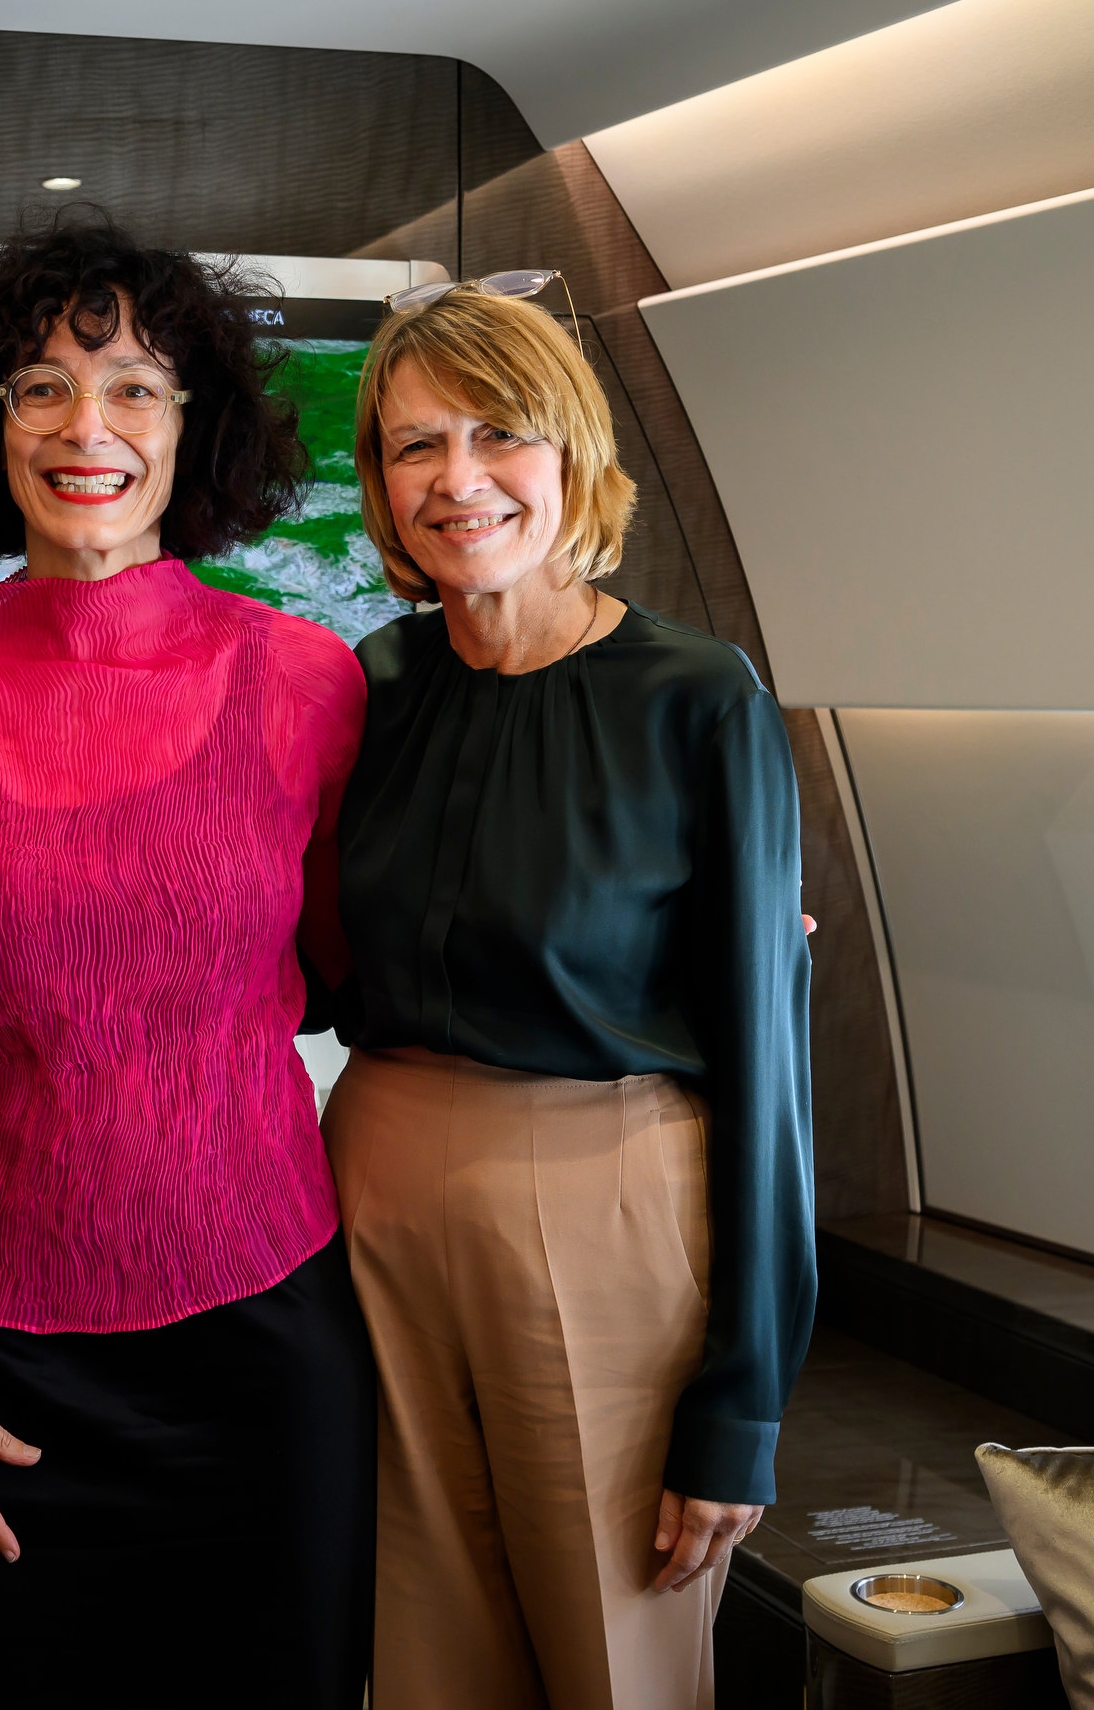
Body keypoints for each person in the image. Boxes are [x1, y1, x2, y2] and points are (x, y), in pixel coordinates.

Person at [0, 221, 375, 1708]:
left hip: (270, 1339)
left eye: (135, 385)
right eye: (42, 386)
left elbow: (365, 964)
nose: (89, 428)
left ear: (195, 424)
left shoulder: (306, 682)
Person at [322, 282, 815, 1710]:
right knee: (416, 1656)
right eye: (415, 445)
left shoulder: (695, 698)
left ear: (574, 455)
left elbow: (769, 1064)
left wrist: (744, 1400)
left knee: (617, 1658)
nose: (457, 478)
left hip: (601, 1199)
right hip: (371, 1199)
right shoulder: (371, 683)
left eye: (499, 434)